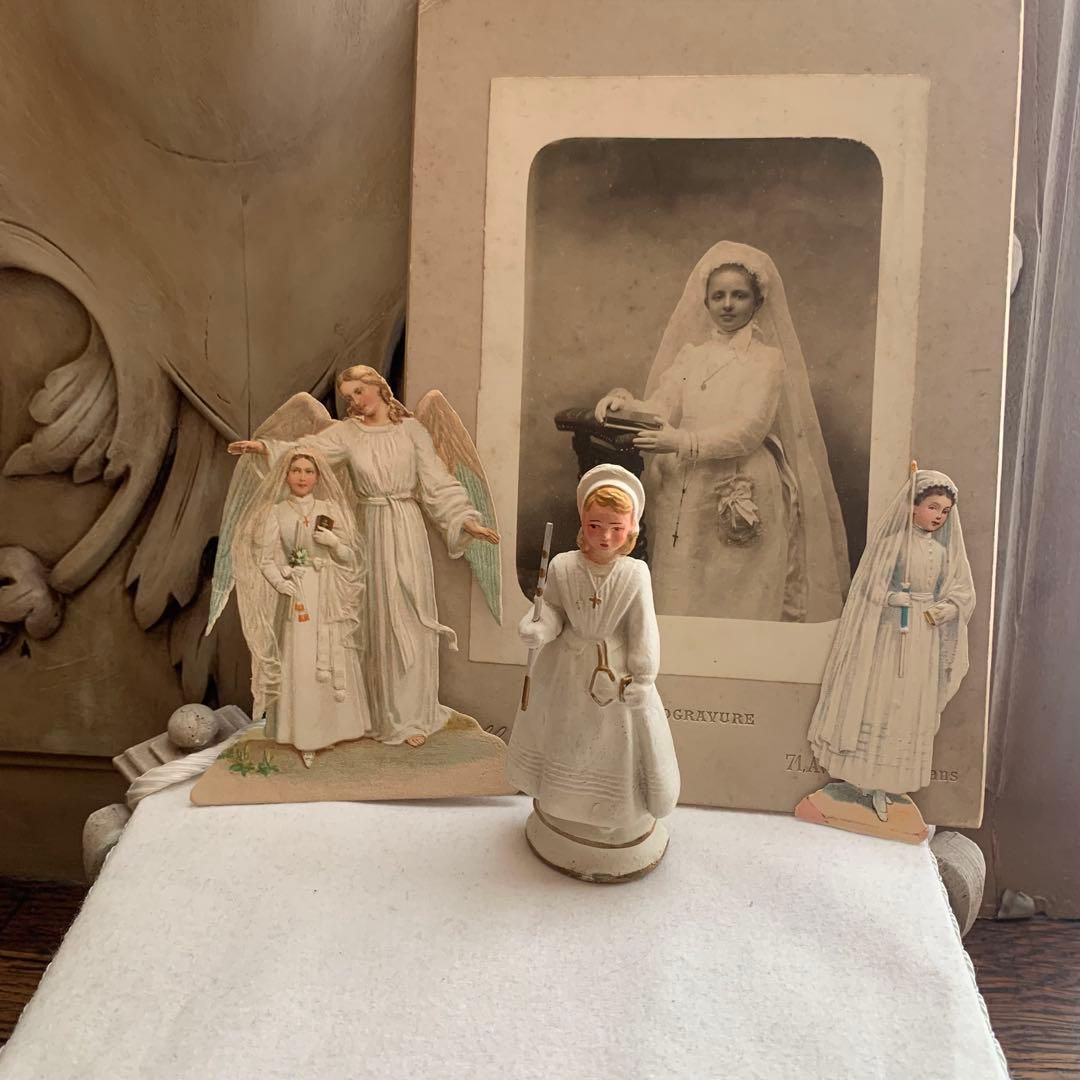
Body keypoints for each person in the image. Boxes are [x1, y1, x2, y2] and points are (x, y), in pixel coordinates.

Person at [228, 365, 499, 747]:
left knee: (409, 618)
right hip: (368, 529)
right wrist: (264, 448)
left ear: (378, 387)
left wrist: (465, 519)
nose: (354, 401)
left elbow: (437, 482)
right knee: (373, 620)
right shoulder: (347, 434)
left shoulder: (412, 431)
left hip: (406, 529)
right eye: (348, 396)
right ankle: (376, 714)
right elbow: (306, 452)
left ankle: (411, 717)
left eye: (359, 391)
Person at [595, 241, 849, 622]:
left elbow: (748, 430)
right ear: (706, 302)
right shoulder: (692, 357)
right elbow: (663, 406)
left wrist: (680, 441)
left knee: (734, 586)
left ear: (757, 301)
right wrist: (624, 404)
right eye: (718, 296)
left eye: (739, 295)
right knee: (684, 585)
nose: (728, 305)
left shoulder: (766, 361)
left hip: (742, 482)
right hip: (687, 485)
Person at [506, 464, 680, 846]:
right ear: (583, 523)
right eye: (595, 525)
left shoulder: (635, 574)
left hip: (613, 676)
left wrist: (644, 676)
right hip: (567, 671)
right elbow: (552, 610)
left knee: (610, 743)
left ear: (631, 528)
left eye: (616, 527)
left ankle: (610, 812)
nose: (604, 536)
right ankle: (561, 802)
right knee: (566, 734)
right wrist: (538, 627)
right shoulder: (562, 566)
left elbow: (643, 627)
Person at [806, 469, 975, 821]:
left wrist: (943, 610)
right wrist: (891, 597)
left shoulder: (944, 554)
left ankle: (888, 784)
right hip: (889, 637)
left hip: (923, 637)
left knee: (910, 703)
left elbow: (961, 592)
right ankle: (864, 781)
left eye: (944, 511)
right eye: (932, 507)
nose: (938, 516)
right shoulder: (891, 545)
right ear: (913, 506)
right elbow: (869, 588)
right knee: (883, 699)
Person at [234, 450, 371, 767]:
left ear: (318, 476)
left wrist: (334, 543)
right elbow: (266, 560)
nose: (302, 477)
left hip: (330, 592)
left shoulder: (331, 509)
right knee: (303, 660)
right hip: (299, 594)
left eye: (309, 471)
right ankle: (307, 737)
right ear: (286, 475)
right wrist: (281, 582)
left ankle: (337, 730)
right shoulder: (276, 513)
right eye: (296, 470)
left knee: (334, 655)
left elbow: (351, 557)